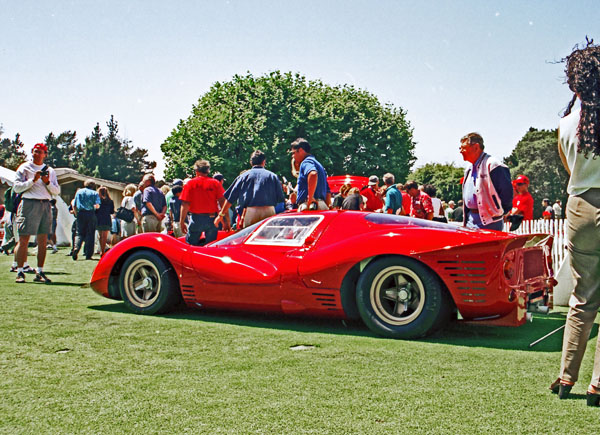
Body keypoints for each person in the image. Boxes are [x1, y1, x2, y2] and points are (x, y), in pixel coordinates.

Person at [551, 40, 600, 404]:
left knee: (583, 295)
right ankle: (598, 383)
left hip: (579, 205)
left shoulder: (566, 124)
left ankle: (567, 377)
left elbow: (570, 170)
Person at [12, 142, 60, 283]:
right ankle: (20, 271)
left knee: (43, 240)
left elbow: (56, 191)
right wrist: (33, 180)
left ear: (45, 155)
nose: (38, 154)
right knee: (24, 239)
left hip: (45, 204)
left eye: (41, 152)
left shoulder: (50, 171)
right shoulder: (24, 168)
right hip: (29, 203)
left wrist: (47, 182)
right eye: (36, 151)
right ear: (32, 152)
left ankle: (40, 271)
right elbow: (16, 188)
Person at [214, 150, 285, 229]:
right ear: (264, 162)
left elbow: (231, 198)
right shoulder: (273, 176)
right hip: (269, 211)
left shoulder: (243, 176)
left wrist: (221, 215)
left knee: (251, 237)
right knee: (267, 238)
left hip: (251, 212)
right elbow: (281, 198)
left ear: (251, 162)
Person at [459, 132, 513, 230]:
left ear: (476, 147)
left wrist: (497, 213)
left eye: (463, 148)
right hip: (471, 221)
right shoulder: (468, 168)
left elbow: (507, 194)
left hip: (490, 222)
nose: (461, 151)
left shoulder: (493, 165)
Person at [179, 159, 226, 246]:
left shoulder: (190, 184)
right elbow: (223, 201)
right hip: (212, 218)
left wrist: (181, 222)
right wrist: (226, 220)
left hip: (196, 218)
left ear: (196, 171)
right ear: (208, 170)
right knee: (211, 246)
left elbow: (185, 204)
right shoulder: (215, 183)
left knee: (191, 245)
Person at [290, 138, 331, 211]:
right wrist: (327, 207)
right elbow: (327, 191)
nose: (293, 156)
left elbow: (313, 174)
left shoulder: (306, 162)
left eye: (293, 153)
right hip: (322, 206)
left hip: (309, 206)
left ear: (301, 150)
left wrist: (310, 197)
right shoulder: (319, 165)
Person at [72, 179, 100, 261]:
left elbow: (75, 204)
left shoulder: (79, 192)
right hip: (90, 213)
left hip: (80, 213)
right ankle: (88, 254)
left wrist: (76, 214)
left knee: (79, 233)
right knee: (90, 234)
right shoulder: (95, 193)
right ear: (93, 186)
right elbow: (97, 205)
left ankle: (76, 248)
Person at [96, 186, 114, 256]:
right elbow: (111, 211)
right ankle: (103, 251)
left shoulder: (98, 201)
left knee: (100, 236)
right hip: (106, 219)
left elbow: (96, 210)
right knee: (104, 236)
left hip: (99, 219)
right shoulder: (110, 201)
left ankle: (101, 250)